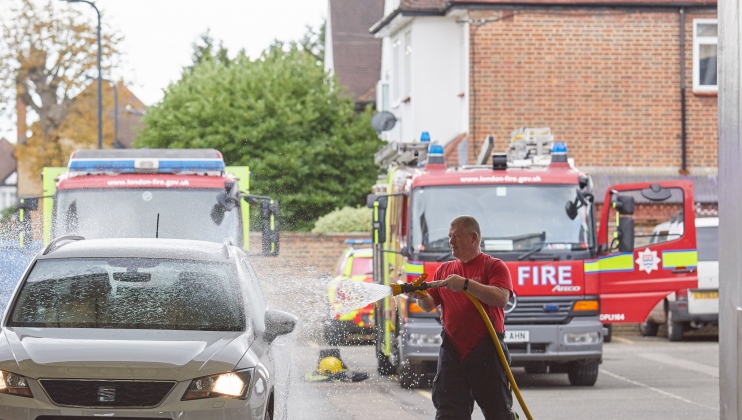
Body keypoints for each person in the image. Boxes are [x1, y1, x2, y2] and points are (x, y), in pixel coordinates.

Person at [410, 215, 515, 420]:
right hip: (453, 350)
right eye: (450, 236)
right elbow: (429, 305)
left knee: (498, 412)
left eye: (456, 236)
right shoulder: (445, 270)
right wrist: (420, 297)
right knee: (449, 412)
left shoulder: (493, 266)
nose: (451, 241)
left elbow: (501, 298)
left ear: (473, 238)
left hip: (486, 349)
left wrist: (466, 284)